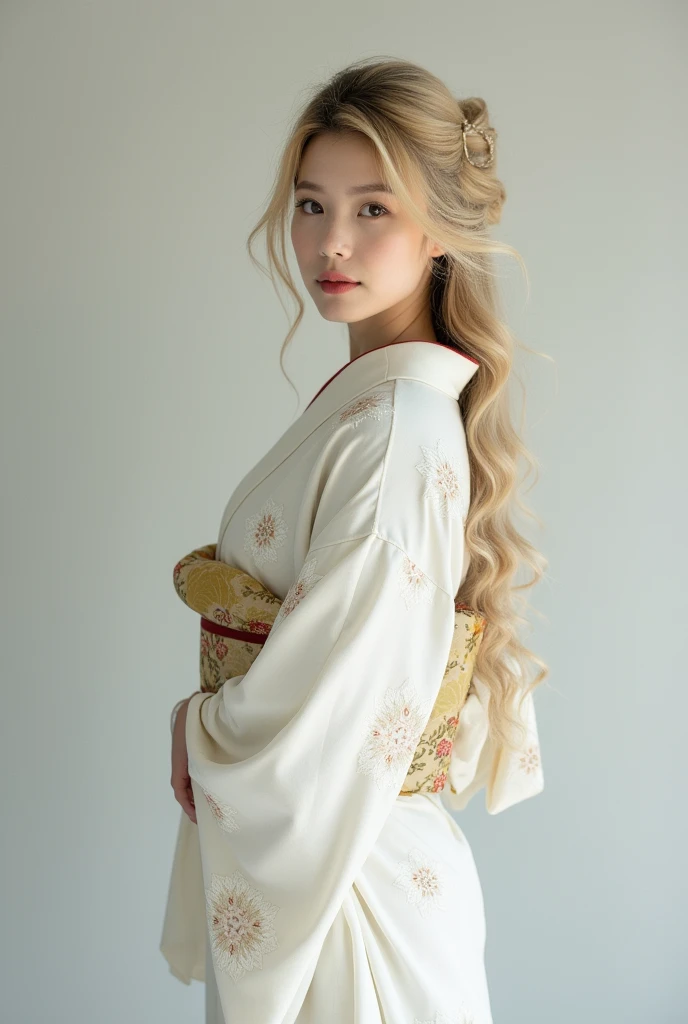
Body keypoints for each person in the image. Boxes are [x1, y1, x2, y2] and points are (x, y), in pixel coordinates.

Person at [166, 55, 547, 1024]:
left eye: (372, 208)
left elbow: (344, 705)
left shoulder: (389, 434)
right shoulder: (385, 411)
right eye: (309, 204)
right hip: (354, 859)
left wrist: (199, 728)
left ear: (437, 233)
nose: (329, 241)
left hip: (350, 878)